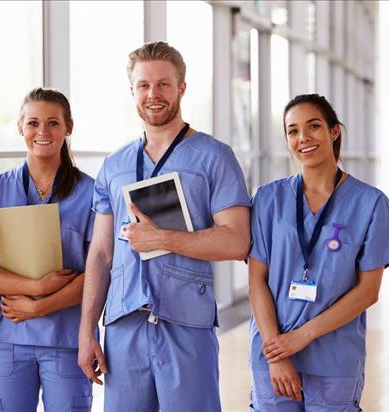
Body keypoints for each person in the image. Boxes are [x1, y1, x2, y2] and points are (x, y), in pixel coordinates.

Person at [77, 41, 251, 412]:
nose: (153, 95)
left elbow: (237, 241)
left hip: (186, 322)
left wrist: (162, 238)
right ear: (133, 91)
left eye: (163, 84)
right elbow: (102, 252)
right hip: (124, 327)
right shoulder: (114, 165)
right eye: (143, 85)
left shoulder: (214, 157)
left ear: (181, 88)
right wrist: (86, 328)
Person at [248, 94, 389, 410]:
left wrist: (301, 337)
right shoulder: (268, 199)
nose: (303, 138)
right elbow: (257, 281)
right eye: (292, 131)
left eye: (313, 126)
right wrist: (277, 353)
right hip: (273, 356)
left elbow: (367, 292)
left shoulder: (370, 203)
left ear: (334, 131)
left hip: (334, 359)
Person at [0, 87, 95, 412]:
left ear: (69, 127)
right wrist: (35, 289)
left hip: (66, 337)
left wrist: (41, 305)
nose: (42, 132)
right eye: (33, 123)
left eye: (53, 123)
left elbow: (98, 272)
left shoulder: (92, 193)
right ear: (20, 127)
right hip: (8, 334)